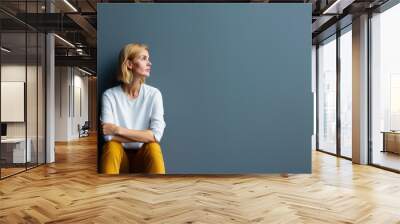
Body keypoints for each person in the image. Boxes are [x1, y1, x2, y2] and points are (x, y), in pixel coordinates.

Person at [100, 43, 166, 174]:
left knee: (153, 147)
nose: (149, 63)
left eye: (148, 58)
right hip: (120, 156)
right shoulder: (110, 95)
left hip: (143, 156)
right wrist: (145, 135)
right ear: (129, 64)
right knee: (111, 146)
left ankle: (160, 192)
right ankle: (107, 191)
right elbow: (107, 136)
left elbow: (156, 136)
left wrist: (117, 130)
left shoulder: (154, 94)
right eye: (143, 58)